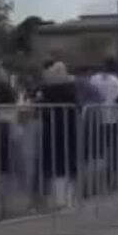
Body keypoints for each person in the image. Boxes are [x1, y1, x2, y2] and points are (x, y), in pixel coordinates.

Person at [39, 63, 78, 209]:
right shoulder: (70, 92)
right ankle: (69, 200)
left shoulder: (46, 93)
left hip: (51, 131)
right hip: (69, 130)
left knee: (56, 166)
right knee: (69, 164)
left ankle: (59, 200)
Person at [90, 58, 118, 190]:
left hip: (96, 118)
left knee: (97, 150)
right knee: (113, 150)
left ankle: (97, 180)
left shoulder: (94, 79)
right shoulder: (116, 82)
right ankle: (111, 179)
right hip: (112, 119)